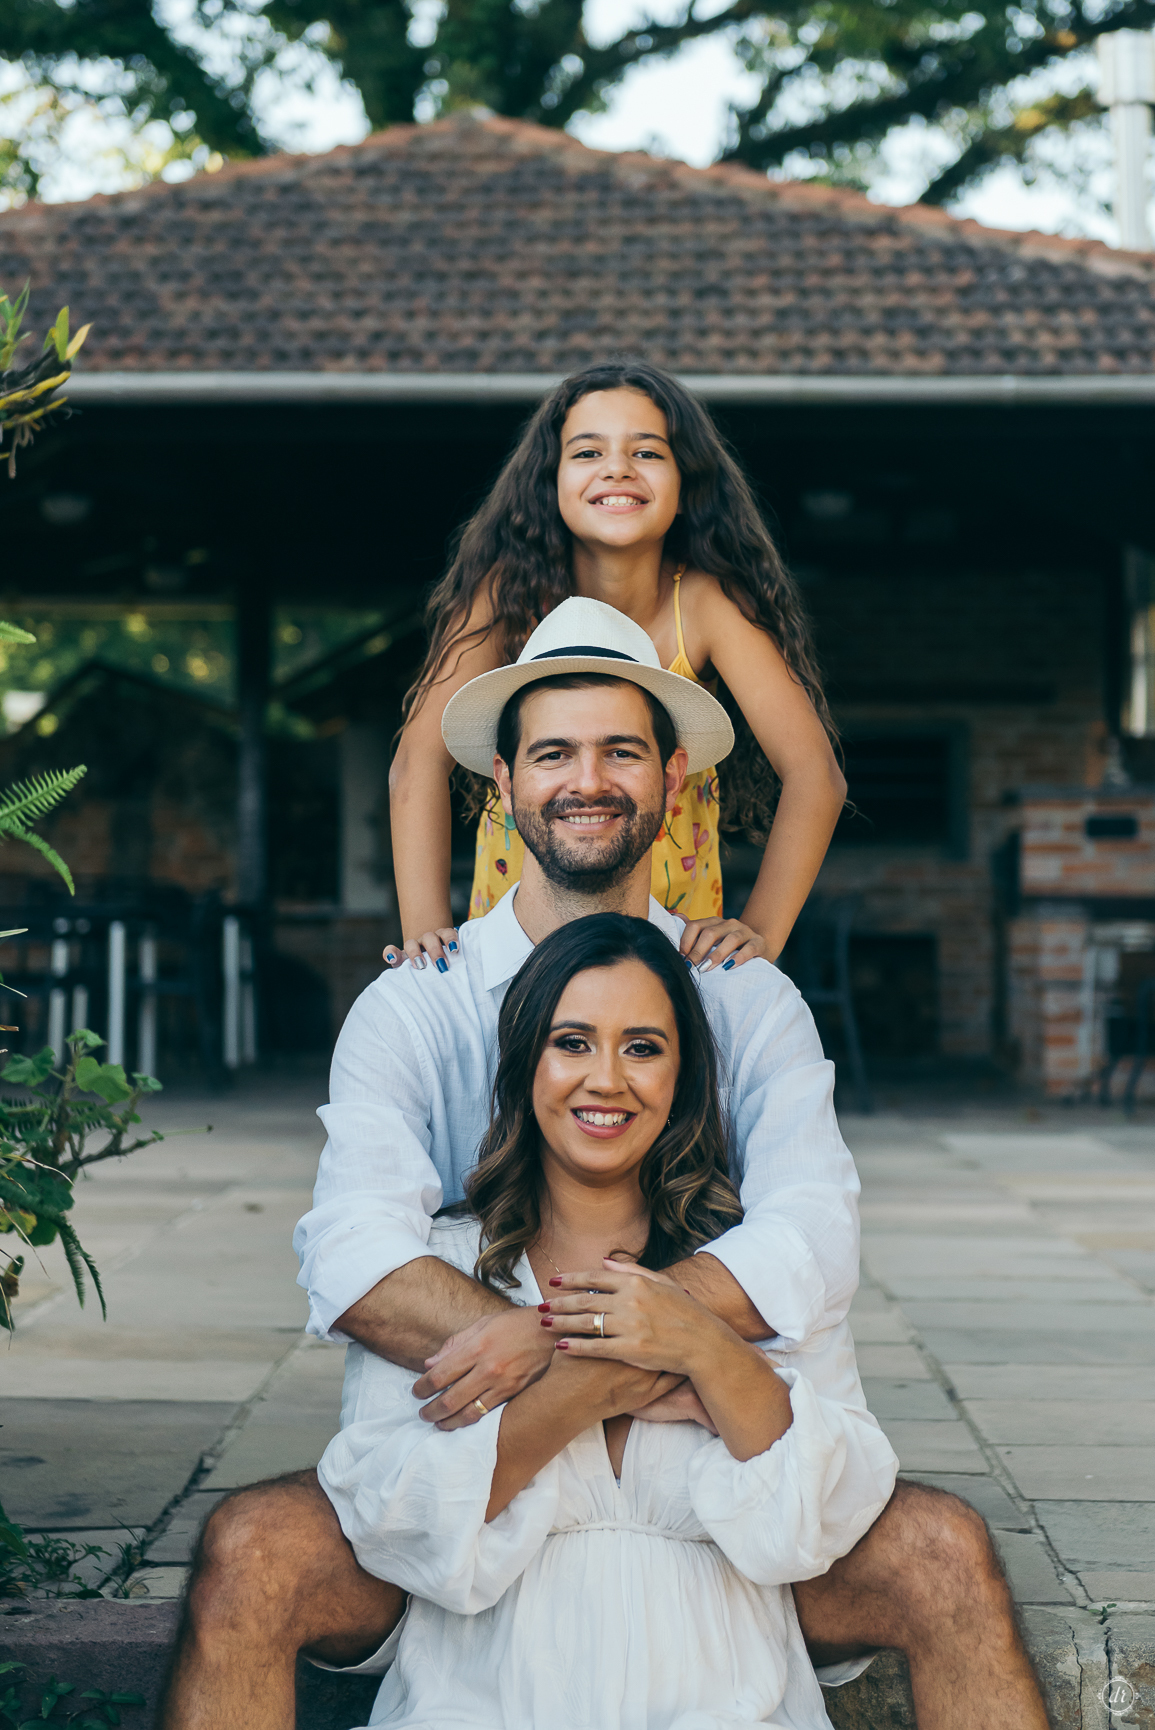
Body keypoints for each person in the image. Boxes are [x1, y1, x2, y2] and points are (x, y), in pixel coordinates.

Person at [160, 604, 1048, 1730]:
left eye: (622, 749)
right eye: (555, 753)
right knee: (255, 1546)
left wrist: (598, 1329)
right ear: (501, 780)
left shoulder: (740, 992)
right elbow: (356, 1258)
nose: (590, 779)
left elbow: (811, 1233)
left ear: (674, 776)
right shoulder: (419, 999)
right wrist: (623, 1356)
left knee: (940, 1546)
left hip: (686, 1477)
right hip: (486, 1444)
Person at [317, 912, 899, 1730]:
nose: (606, 1079)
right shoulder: (440, 1275)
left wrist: (699, 1343)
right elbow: (393, 1524)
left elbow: (819, 1522)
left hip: (728, 1707)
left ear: (682, 1077)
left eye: (643, 1047)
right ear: (525, 1065)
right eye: (573, 1042)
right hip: (479, 1706)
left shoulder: (746, 1277)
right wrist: (601, 1376)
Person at [386, 357, 847, 975]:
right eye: (586, 452)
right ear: (548, 483)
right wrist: (425, 940)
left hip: (668, 945)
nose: (617, 469)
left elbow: (816, 773)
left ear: (688, 486)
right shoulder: (505, 596)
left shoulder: (706, 605)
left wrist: (761, 932)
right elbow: (417, 762)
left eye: (648, 452)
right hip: (519, 940)